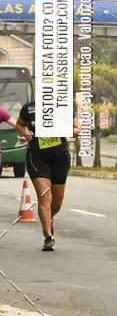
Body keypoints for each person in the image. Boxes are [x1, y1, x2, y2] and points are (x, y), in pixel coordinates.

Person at [16, 102, 79, 252]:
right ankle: (48, 237)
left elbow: (77, 129)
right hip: (37, 157)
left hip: (60, 157)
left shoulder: (64, 106)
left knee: (57, 201)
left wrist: (64, 129)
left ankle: (49, 218)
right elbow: (19, 124)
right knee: (45, 195)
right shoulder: (29, 108)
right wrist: (25, 133)